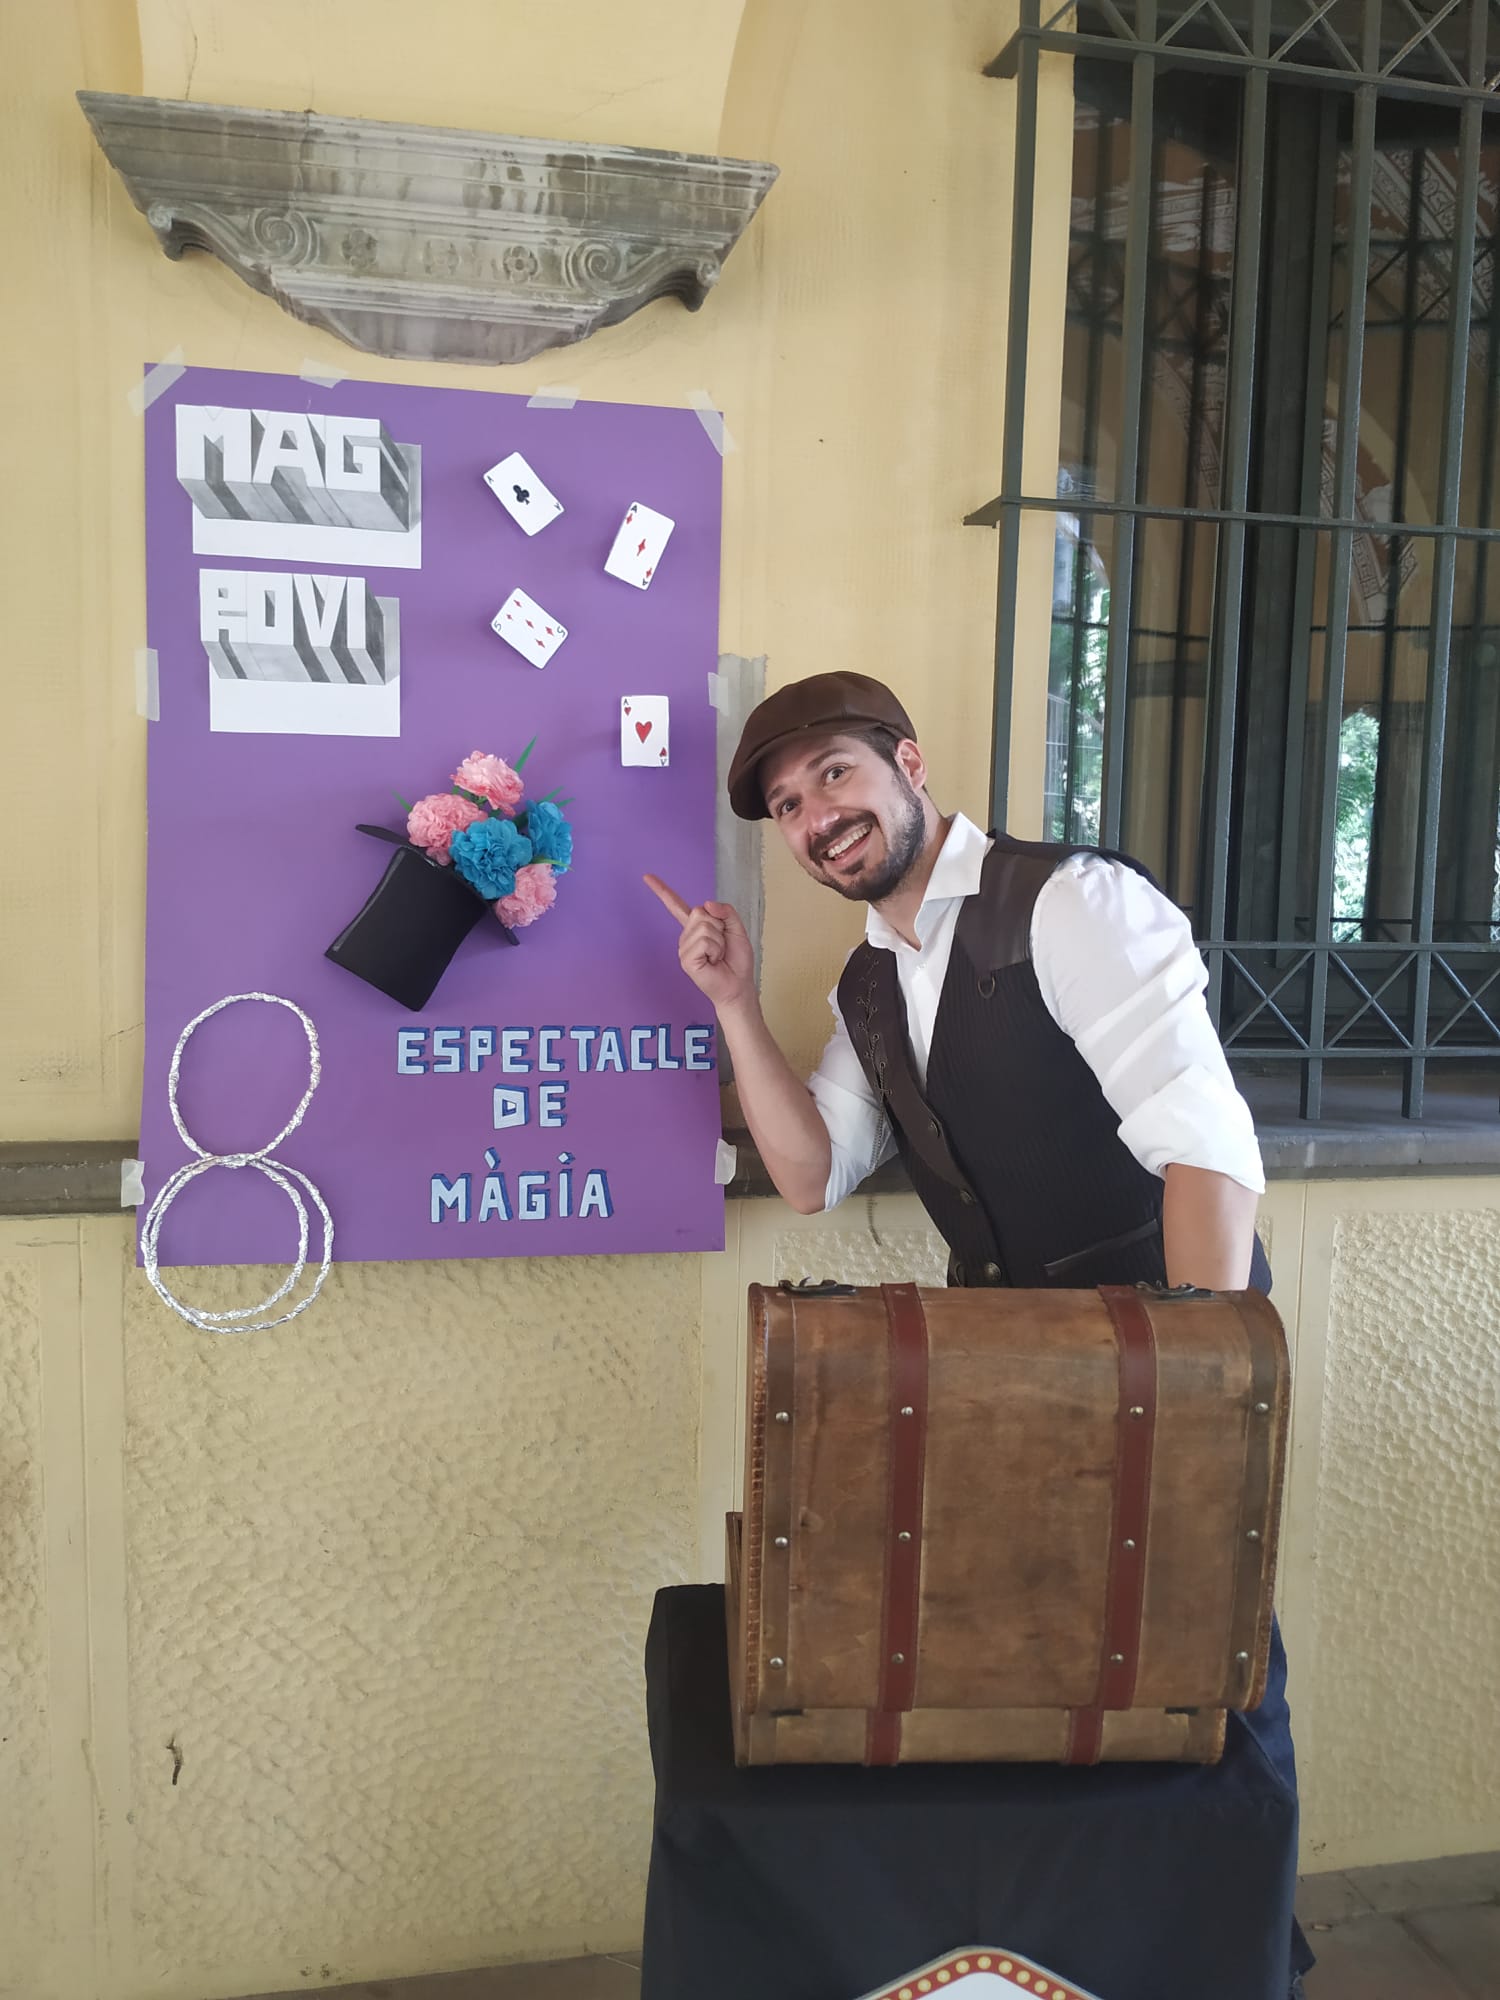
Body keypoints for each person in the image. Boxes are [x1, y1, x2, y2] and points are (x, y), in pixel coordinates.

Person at [645, 669, 1311, 1998]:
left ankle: (1237, 1961)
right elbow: (812, 1172)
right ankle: (1065, 1957)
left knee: (1208, 1660)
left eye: (835, 774)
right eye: (788, 805)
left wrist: (1194, 1389)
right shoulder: (871, 981)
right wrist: (730, 1002)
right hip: (1004, 1372)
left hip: (1165, 1353)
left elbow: (1203, 1146)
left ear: (908, 761)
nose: (816, 816)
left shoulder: (1072, 902)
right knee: (1058, 1662)